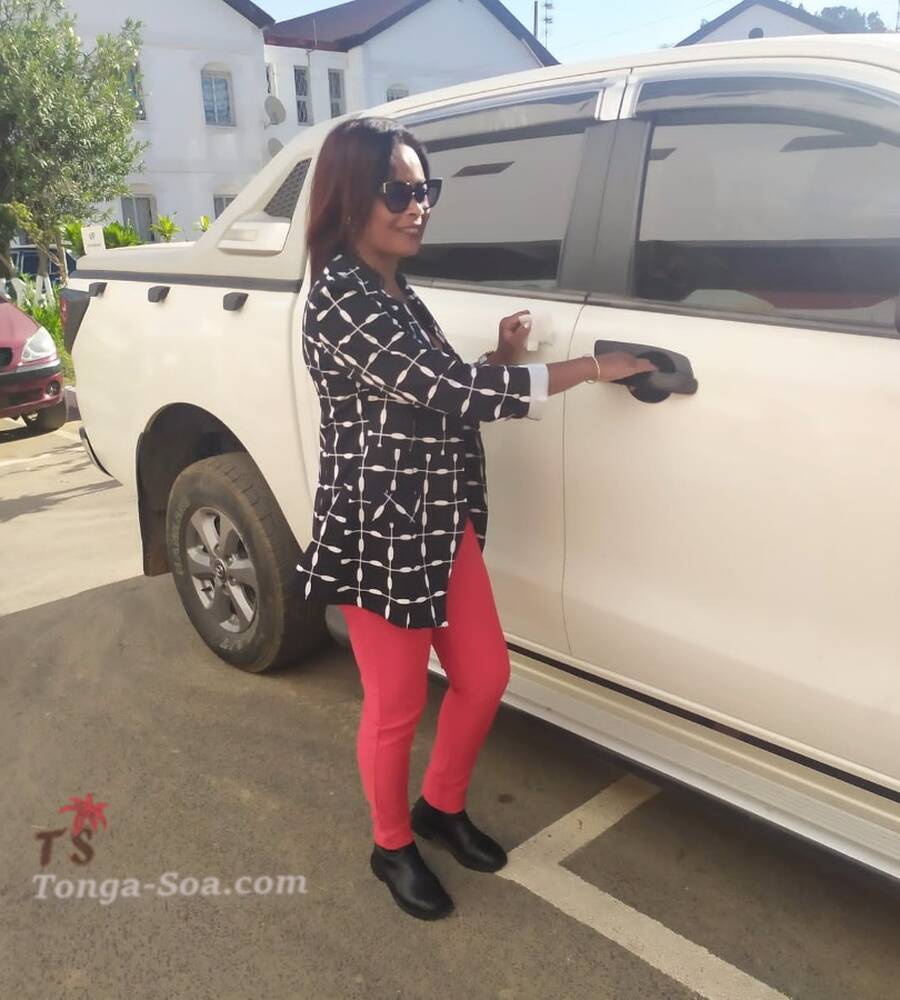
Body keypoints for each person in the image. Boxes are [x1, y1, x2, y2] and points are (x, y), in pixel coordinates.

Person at [296, 116, 657, 921]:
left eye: (425, 189)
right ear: (350, 197)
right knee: (396, 705)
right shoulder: (340, 298)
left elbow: (431, 385)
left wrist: (500, 359)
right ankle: (391, 844)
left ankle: (440, 806)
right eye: (398, 191)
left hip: (439, 519)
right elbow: (448, 392)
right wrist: (594, 366)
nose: (418, 205)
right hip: (379, 531)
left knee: (486, 675)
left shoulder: (395, 290)